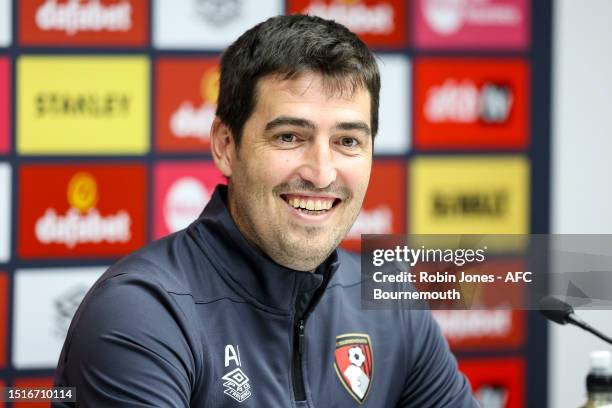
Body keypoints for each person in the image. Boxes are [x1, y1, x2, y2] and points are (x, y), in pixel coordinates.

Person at [54, 14, 477, 407]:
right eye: (290, 137)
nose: (321, 173)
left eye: (348, 141)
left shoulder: (391, 300)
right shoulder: (142, 311)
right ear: (225, 145)